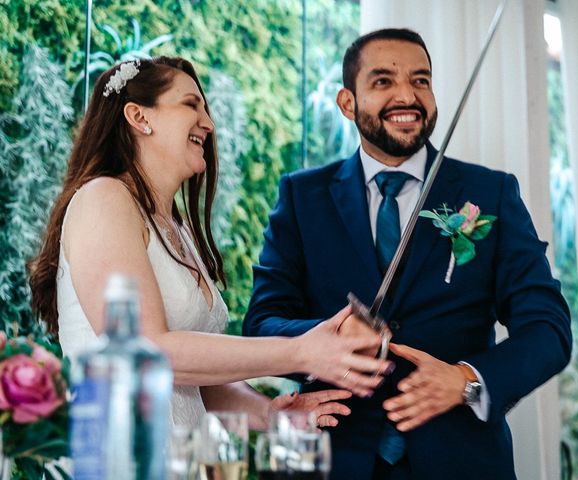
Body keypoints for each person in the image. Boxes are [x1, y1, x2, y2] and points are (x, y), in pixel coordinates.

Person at [243, 29, 572, 479]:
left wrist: (468, 381)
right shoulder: (303, 198)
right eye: (382, 82)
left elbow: (548, 329)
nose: (407, 95)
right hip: (331, 458)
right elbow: (262, 322)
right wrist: (325, 339)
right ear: (347, 103)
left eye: (421, 81)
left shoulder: (490, 194)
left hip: (462, 462)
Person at [29, 56, 394, 432]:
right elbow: (144, 352)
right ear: (139, 118)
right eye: (191, 105)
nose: (209, 124)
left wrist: (272, 415)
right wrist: (301, 351)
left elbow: (200, 381)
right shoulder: (103, 198)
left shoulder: (177, 229)